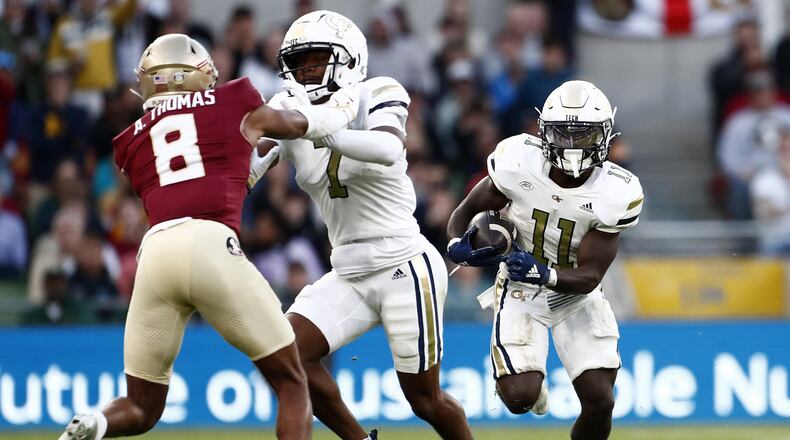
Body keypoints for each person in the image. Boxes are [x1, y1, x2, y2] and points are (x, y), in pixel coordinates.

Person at [58, 33, 361, 440]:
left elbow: (188, 172)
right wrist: (339, 110)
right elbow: (293, 126)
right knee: (291, 381)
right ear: (197, 74)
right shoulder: (233, 100)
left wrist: (243, 164)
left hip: (157, 252)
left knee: (139, 406)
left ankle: (96, 422)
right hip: (211, 245)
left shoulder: (131, 140)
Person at [248, 11, 473, 440]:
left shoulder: (379, 91)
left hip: (403, 263)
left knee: (425, 400)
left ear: (349, 59)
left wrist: (318, 129)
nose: (307, 71)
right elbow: (250, 167)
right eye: (299, 62)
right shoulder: (287, 108)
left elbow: (388, 147)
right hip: (348, 269)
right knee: (282, 354)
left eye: (317, 59)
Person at [447, 80, 644, 440]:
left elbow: (590, 276)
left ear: (604, 136)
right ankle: (531, 389)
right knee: (519, 398)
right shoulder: (518, 161)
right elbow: (464, 212)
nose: (571, 146)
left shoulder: (615, 191)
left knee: (600, 400)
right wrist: (458, 243)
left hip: (575, 294)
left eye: (582, 136)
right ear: (543, 132)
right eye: (563, 134)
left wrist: (546, 273)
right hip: (521, 288)